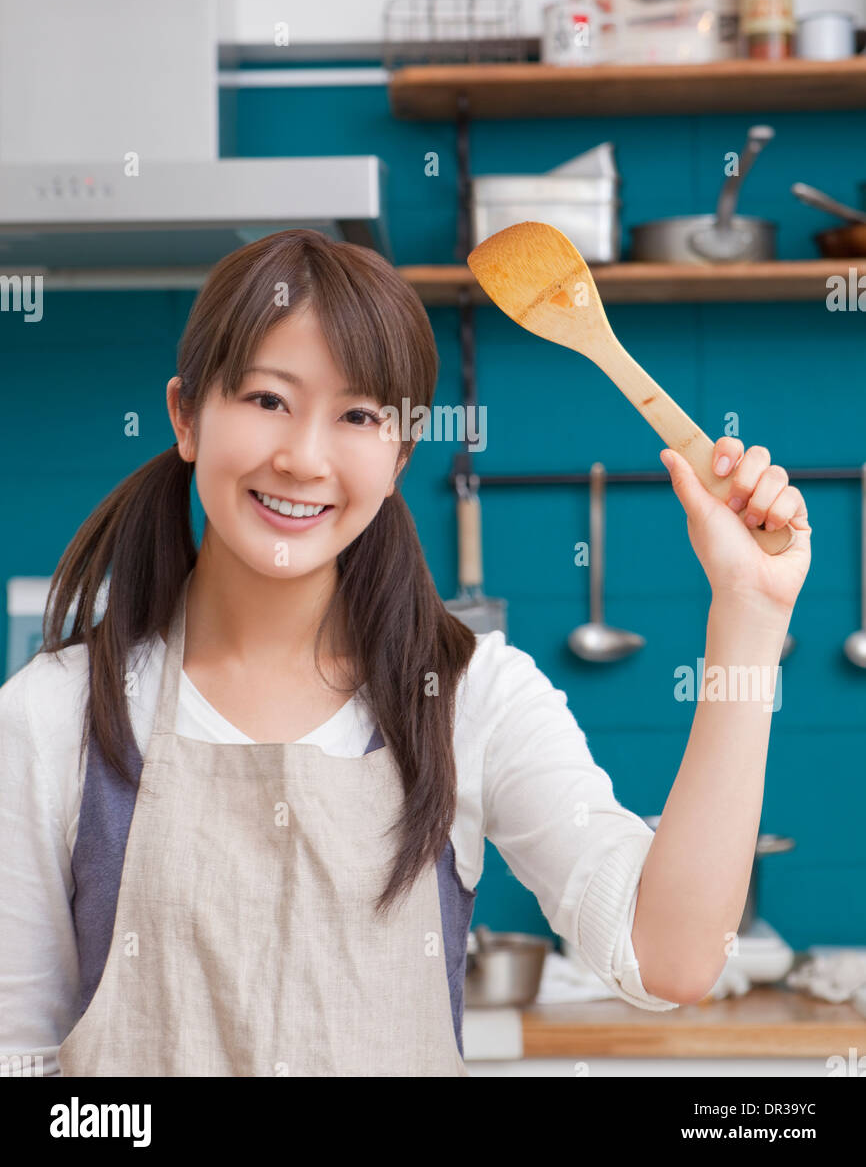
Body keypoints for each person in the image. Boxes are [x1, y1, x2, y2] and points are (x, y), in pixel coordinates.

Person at [0, 229, 811, 1077]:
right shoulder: (53, 715)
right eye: (268, 399)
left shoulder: (474, 698)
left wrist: (749, 617)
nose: (303, 458)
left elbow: (671, 958)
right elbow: (19, 1058)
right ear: (186, 416)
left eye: (357, 416)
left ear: (399, 457)